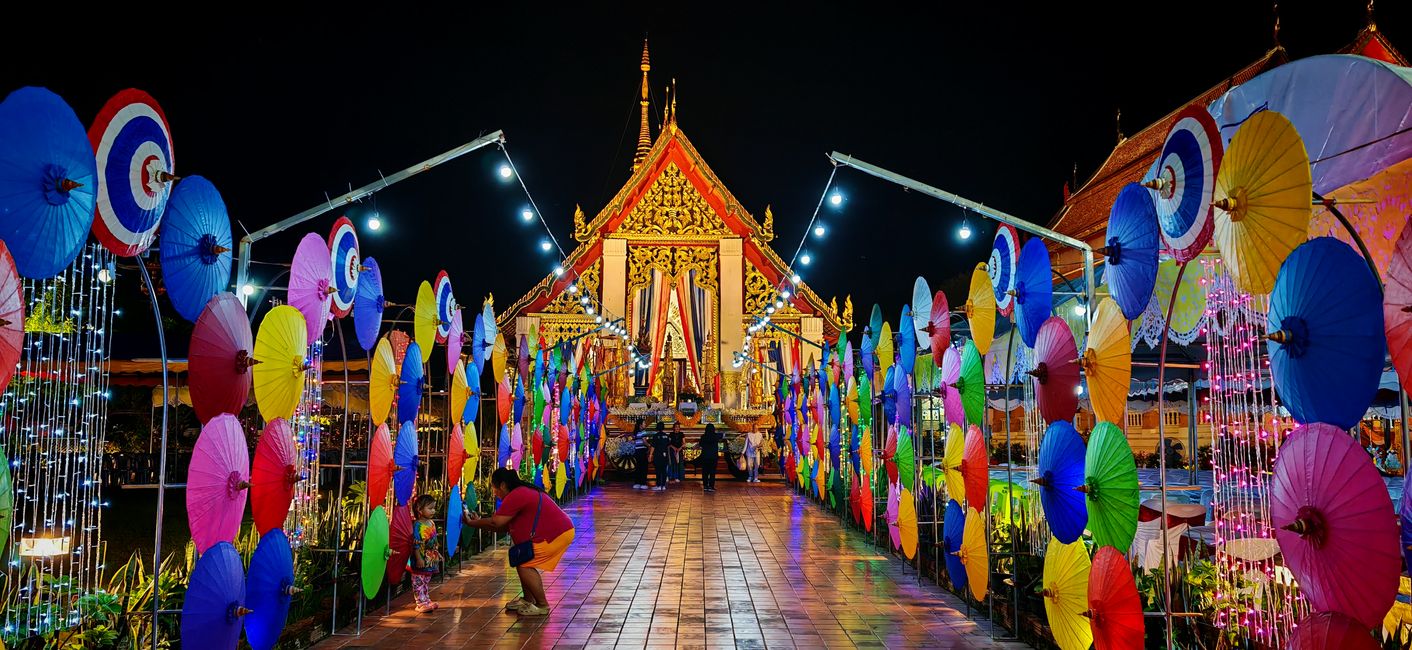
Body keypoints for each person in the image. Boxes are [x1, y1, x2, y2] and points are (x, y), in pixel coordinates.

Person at [463, 468, 576, 617]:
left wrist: (472, 523)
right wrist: (477, 522)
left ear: (502, 485)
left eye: (495, 488)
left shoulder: (516, 494)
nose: (495, 493)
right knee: (520, 559)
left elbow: (496, 523)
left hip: (556, 535)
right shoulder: (521, 492)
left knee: (524, 563)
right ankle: (527, 600)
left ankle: (542, 605)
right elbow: (502, 527)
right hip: (559, 532)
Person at [409, 494, 442, 613]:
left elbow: (434, 541)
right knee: (418, 580)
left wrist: (437, 553)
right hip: (422, 558)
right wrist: (418, 558)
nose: (433, 511)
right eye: (430, 508)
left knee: (426, 580)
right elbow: (416, 544)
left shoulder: (431, 523)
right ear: (419, 509)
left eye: (434, 508)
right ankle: (420, 602)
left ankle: (426, 600)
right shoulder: (418, 526)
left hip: (430, 558)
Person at [699, 423, 720, 492]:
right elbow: (722, 435)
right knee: (712, 472)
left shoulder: (703, 437)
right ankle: (711, 486)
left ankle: (705, 486)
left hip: (705, 457)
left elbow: (700, 445)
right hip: (713, 457)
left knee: (705, 472)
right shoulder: (716, 436)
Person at [650, 422, 671, 491]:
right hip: (665, 455)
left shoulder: (655, 436)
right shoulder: (666, 436)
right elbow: (668, 446)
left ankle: (658, 485)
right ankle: (663, 485)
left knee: (658, 470)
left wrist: (650, 455)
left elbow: (653, 446)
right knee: (664, 470)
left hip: (657, 455)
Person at [631, 420, 650, 490]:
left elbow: (633, 441)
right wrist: (649, 446)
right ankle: (643, 483)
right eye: (644, 423)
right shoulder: (643, 432)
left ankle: (637, 483)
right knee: (644, 467)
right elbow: (644, 442)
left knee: (638, 467)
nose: (645, 424)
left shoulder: (635, 432)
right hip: (642, 451)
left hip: (637, 451)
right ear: (640, 425)